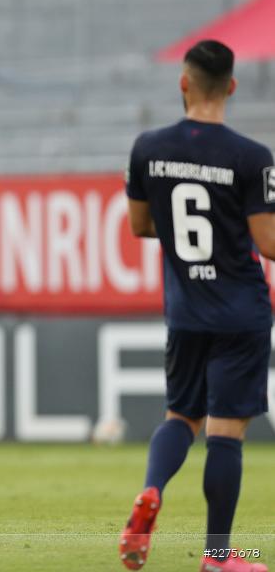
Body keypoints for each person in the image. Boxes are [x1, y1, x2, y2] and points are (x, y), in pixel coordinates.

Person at [121, 40, 271, 572]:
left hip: (185, 310)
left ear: (183, 82)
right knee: (226, 430)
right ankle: (218, 556)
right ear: (231, 87)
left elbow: (140, 226)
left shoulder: (147, 148)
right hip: (241, 313)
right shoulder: (252, 157)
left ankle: (151, 491)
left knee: (181, 415)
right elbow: (269, 243)